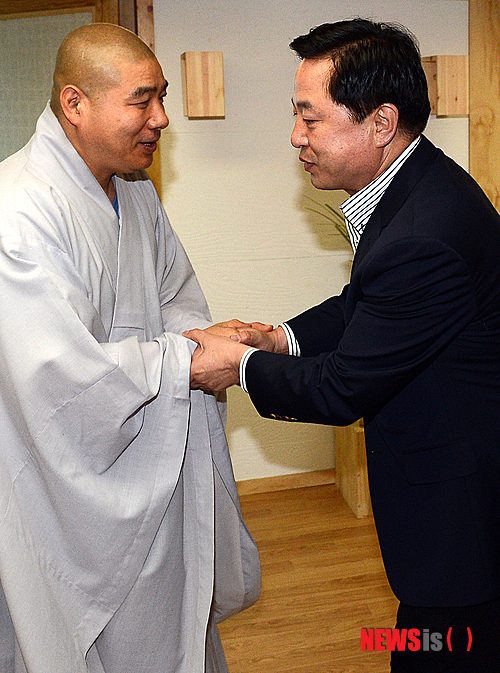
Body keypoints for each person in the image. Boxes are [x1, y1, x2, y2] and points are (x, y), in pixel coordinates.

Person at [184, 18, 500, 672]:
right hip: (452, 488)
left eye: (311, 118)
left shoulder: (424, 231)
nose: (295, 137)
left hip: (463, 515)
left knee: (441, 647)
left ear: (380, 123)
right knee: (422, 638)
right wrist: (282, 337)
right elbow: (368, 303)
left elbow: (341, 388)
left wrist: (237, 364)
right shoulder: (414, 188)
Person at [0, 23, 260, 673]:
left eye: (163, 97)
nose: (162, 119)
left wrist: (196, 340)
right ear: (74, 104)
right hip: (68, 489)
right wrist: (183, 361)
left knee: (167, 625)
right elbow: (54, 380)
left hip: (153, 452)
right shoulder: (20, 210)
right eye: (142, 100)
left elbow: (177, 295)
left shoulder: (136, 190)